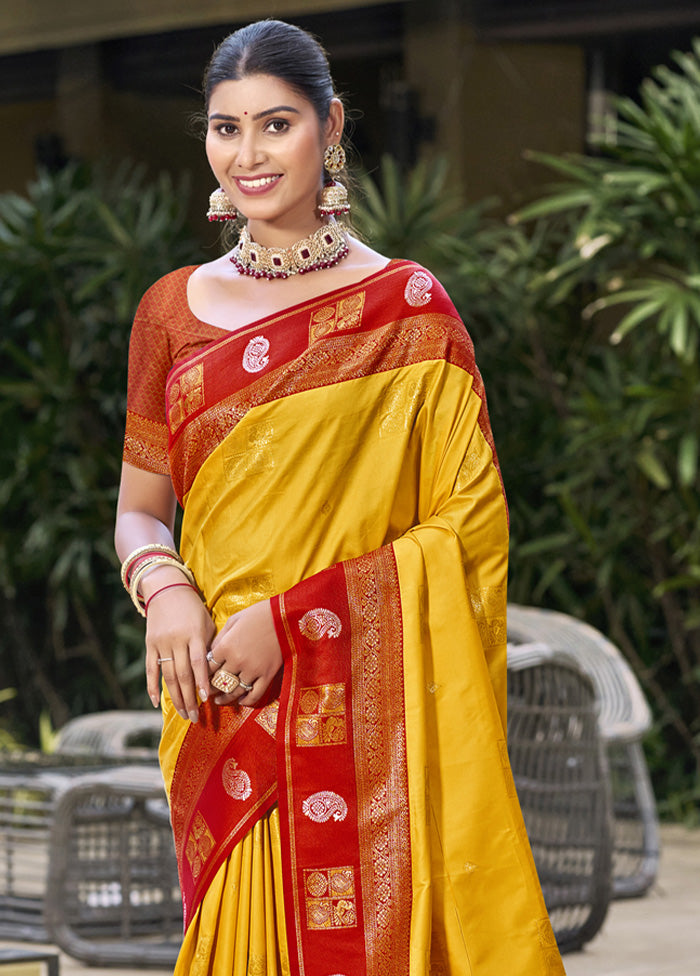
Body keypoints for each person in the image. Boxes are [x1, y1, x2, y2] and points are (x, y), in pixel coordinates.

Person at [114, 19, 566, 976]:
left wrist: (299, 622)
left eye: (275, 125)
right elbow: (142, 507)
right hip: (219, 701)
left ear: (330, 125)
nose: (248, 154)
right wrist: (166, 591)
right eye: (225, 127)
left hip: (355, 711)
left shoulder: (408, 312)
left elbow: (466, 526)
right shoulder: (169, 311)